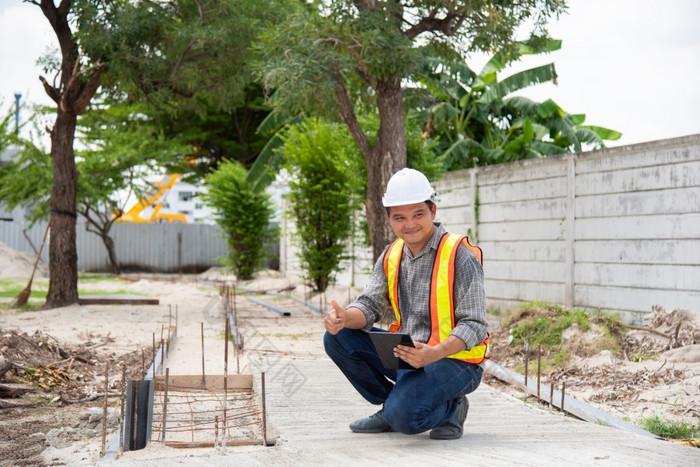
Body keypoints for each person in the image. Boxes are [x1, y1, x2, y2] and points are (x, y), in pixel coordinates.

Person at [323, 167, 489, 440]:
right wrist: (344, 318)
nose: (409, 224)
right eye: (400, 217)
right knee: (338, 336)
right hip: (410, 354)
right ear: (389, 218)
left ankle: (452, 408)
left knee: (406, 419)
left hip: (455, 361)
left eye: (418, 214)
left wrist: (433, 354)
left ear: (433, 211)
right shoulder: (391, 254)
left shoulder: (459, 254)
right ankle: (390, 405)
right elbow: (369, 305)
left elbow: (475, 325)